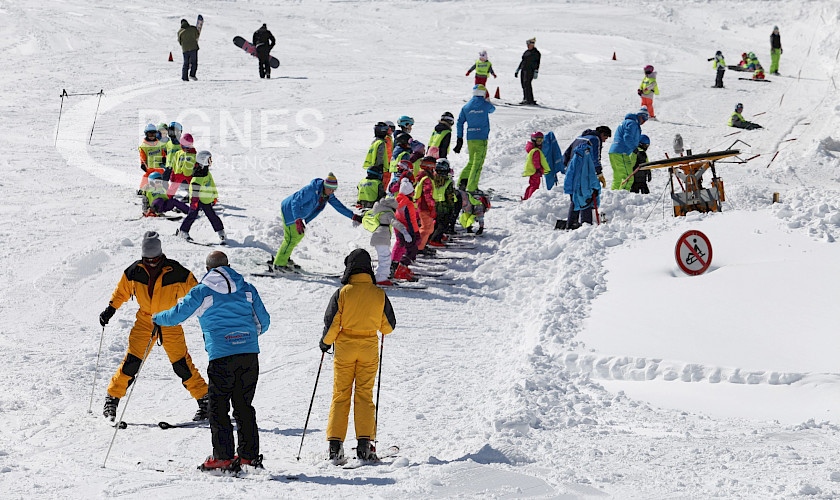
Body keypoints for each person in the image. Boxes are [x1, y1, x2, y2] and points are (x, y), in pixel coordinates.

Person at [153, 251, 271, 472]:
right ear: (229, 265)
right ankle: (248, 457)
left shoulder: (202, 292)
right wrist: (246, 338)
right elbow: (264, 321)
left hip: (221, 355)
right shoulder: (247, 288)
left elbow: (176, 315)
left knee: (218, 408)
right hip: (248, 356)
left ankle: (223, 458)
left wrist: (156, 318)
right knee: (244, 406)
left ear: (207, 269)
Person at [98, 231, 209, 423]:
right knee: (132, 361)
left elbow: (196, 293)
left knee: (181, 364)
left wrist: (207, 314)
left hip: (170, 321)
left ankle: (205, 400)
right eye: (147, 259)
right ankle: (112, 399)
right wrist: (110, 309)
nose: (151, 262)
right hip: (145, 322)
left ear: (160, 254)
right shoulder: (134, 270)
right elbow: (122, 291)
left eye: (154, 259)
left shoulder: (176, 271)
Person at [320, 248, 397, 463]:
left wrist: (325, 344)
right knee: (364, 394)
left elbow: (332, 323)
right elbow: (388, 327)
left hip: (344, 348)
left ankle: (335, 446)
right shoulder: (379, 294)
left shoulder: (342, 293)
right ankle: (365, 445)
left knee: (341, 394)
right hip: (369, 348)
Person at [272, 173, 362, 271]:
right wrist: (297, 219)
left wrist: (353, 216)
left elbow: (338, 206)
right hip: (289, 210)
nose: (332, 192)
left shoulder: (327, 194)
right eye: (330, 189)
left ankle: (284, 257)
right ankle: (279, 264)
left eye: (334, 190)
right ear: (325, 186)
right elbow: (295, 202)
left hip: (297, 214)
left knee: (298, 236)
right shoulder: (311, 190)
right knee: (292, 238)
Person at [178, 150, 226, 244]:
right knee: (192, 215)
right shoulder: (197, 176)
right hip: (197, 200)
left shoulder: (207, 172)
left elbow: (212, 184)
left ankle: (221, 232)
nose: (211, 162)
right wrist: (194, 202)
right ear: (203, 161)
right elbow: (194, 190)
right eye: (209, 160)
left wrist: (214, 196)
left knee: (212, 215)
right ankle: (183, 231)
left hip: (206, 200)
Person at [454, 85, 496, 192]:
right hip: (481, 137)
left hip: (470, 138)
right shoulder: (485, 105)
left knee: (471, 162)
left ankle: (462, 183)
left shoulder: (466, 107)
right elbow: (493, 109)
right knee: (478, 163)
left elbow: (459, 122)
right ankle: (472, 187)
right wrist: (487, 100)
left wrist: (460, 138)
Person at [361, 197, 410, 286]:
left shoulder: (380, 212)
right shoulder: (387, 213)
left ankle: (378, 275)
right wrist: (404, 231)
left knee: (383, 257)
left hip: (378, 237)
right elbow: (394, 222)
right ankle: (381, 278)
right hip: (382, 238)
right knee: (385, 258)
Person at [563, 140, 602, 229]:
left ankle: (571, 224)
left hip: (575, 188)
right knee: (585, 205)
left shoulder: (576, 158)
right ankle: (586, 227)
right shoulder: (587, 158)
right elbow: (591, 176)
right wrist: (596, 188)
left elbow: (569, 174)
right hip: (585, 189)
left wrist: (569, 189)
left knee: (575, 203)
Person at [609, 108, 648, 191]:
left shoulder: (626, 122)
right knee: (628, 178)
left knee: (618, 178)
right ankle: (622, 198)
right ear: (640, 116)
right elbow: (627, 137)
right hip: (621, 152)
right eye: (644, 118)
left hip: (613, 152)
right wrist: (634, 149)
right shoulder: (633, 123)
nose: (644, 121)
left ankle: (613, 196)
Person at [391, 178, 420, 281]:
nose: (413, 193)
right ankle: (401, 269)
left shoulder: (399, 199)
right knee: (412, 250)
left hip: (400, 227)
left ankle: (399, 267)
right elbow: (410, 220)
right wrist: (414, 233)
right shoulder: (408, 204)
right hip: (408, 229)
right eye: (412, 191)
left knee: (402, 246)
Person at [428, 158, 457, 246]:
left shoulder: (432, 179)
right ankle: (435, 239)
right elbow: (450, 196)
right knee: (443, 224)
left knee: (436, 222)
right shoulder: (448, 182)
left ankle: (433, 236)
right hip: (445, 206)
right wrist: (452, 207)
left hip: (435, 204)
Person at [413, 157, 438, 255]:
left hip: (424, 206)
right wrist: (432, 207)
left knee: (429, 228)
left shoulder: (422, 176)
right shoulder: (427, 178)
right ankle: (418, 248)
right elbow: (427, 195)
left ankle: (421, 245)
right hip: (425, 207)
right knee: (426, 228)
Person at [522, 131, 549, 201]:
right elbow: (536, 161)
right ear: (534, 140)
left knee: (532, 184)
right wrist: (538, 169)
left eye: (541, 140)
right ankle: (531, 199)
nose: (540, 142)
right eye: (538, 140)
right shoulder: (536, 151)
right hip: (535, 171)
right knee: (535, 186)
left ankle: (526, 197)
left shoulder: (533, 149)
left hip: (533, 171)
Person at [515, 38, 541, 105]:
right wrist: (518, 69)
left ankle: (530, 99)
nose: (528, 46)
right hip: (524, 69)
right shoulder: (526, 52)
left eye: (529, 44)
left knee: (527, 84)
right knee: (523, 84)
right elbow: (523, 61)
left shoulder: (536, 53)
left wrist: (536, 71)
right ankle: (525, 98)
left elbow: (537, 63)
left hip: (530, 70)